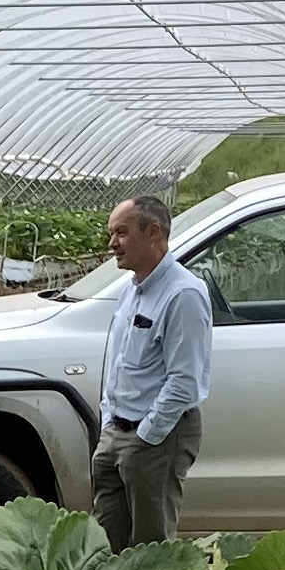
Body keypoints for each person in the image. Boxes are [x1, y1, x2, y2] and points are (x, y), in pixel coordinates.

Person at [92, 194, 212, 548]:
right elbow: (119, 364)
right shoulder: (132, 290)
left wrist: (147, 435)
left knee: (151, 548)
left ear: (153, 232)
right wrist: (108, 423)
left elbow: (184, 381)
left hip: (156, 438)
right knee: (105, 541)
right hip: (117, 432)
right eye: (112, 234)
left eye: (122, 233)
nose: (113, 243)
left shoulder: (183, 295)